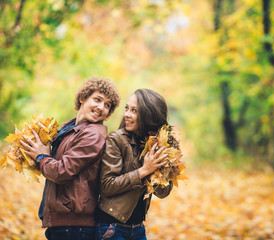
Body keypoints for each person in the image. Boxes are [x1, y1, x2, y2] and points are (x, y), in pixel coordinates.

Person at [20, 76, 120, 240]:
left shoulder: (93, 135)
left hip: (75, 225)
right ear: (82, 98)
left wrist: (40, 157)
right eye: (97, 99)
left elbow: (62, 170)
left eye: (107, 105)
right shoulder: (70, 129)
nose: (101, 107)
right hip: (63, 223)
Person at [95, 89, 173, 240]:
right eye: (127, 108)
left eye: (134, 110)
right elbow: (107, 185)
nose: (126, 114)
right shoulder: (116, 139)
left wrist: (161, 168)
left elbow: (163, 193)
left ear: (149, 115)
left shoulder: (158, 144)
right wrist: (143, 171)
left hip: (137, 228)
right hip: (111, 226)